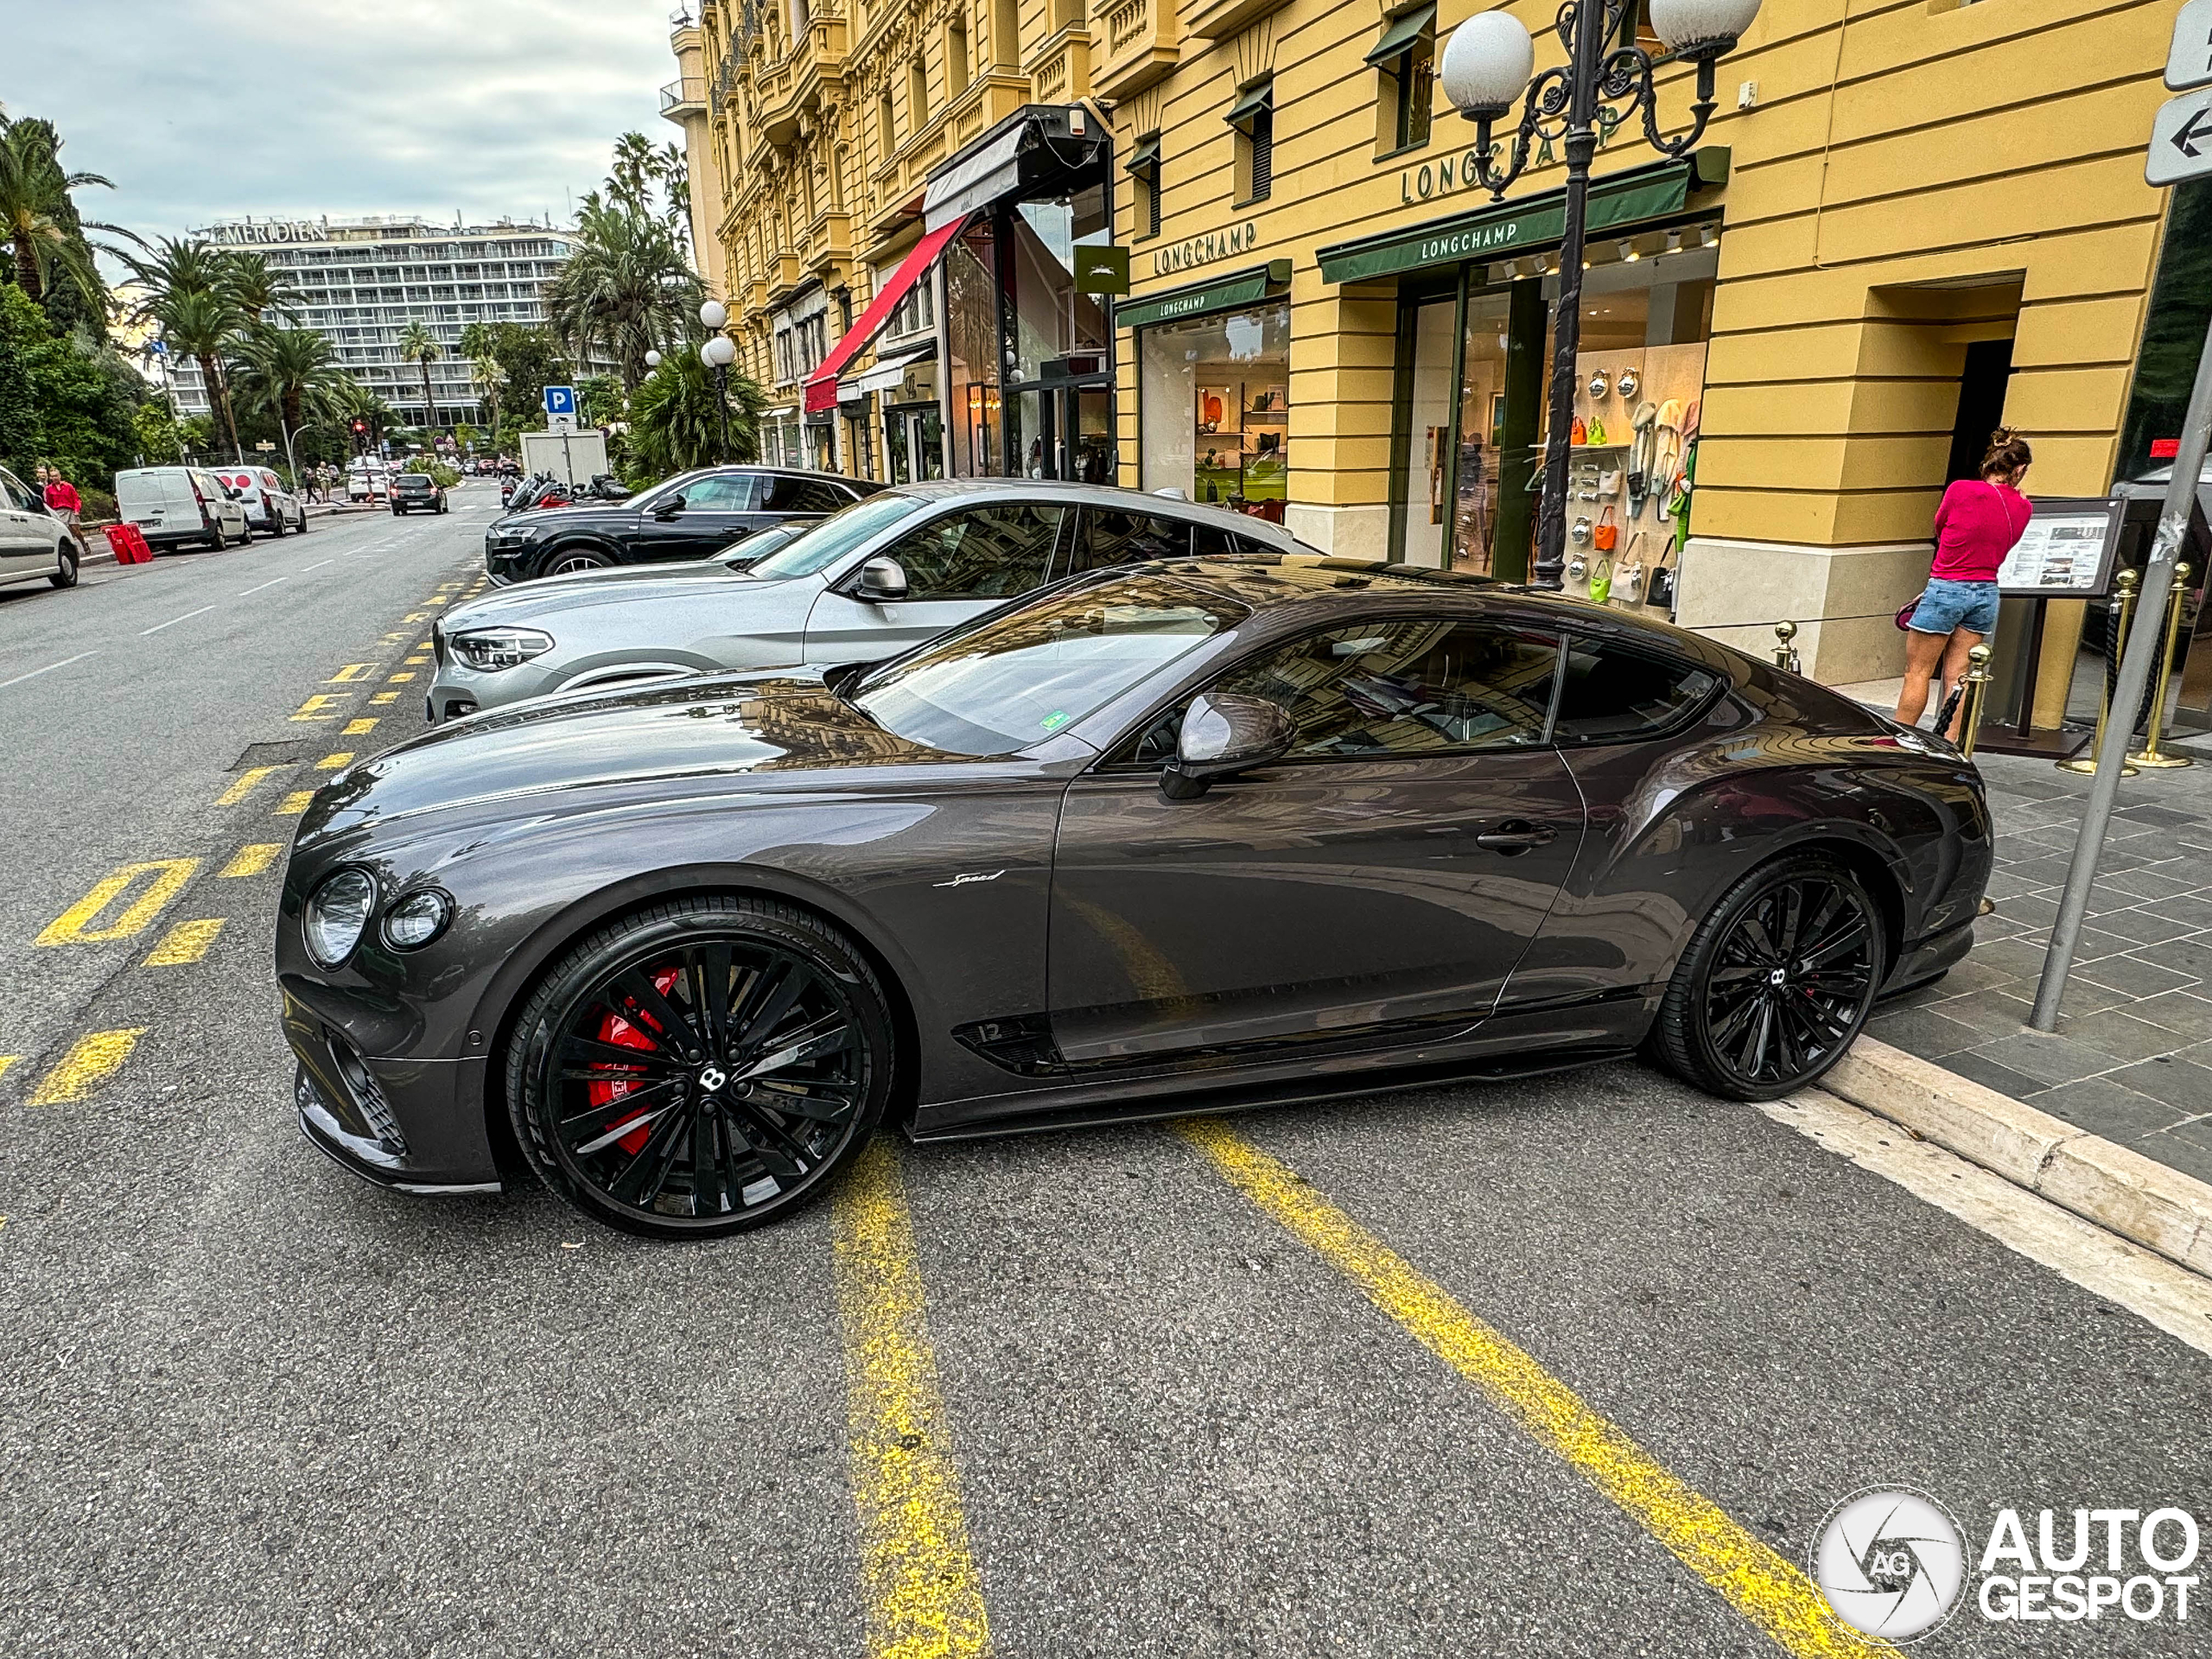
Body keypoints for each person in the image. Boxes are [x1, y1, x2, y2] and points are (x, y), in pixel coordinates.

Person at [1896, 428, 2032, 738]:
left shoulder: (1960, 490)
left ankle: (1899, 743)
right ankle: (1950, 744)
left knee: (1917, 672)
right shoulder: (2023, 507)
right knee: (1959, 677)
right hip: (1986, 592)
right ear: (2019, 469)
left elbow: (1940, 526)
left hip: (1947, 586)